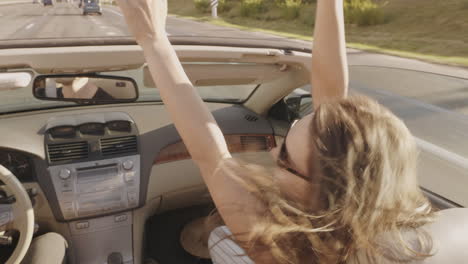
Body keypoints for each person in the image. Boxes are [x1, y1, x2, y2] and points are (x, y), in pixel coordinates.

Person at [117, 0, 468, 263]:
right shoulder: (408, 230)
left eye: (285, 157)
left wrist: (152, 38)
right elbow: (331, 104)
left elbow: (210, 154)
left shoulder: (277, 247)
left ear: (325, 197)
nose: (272, 153)